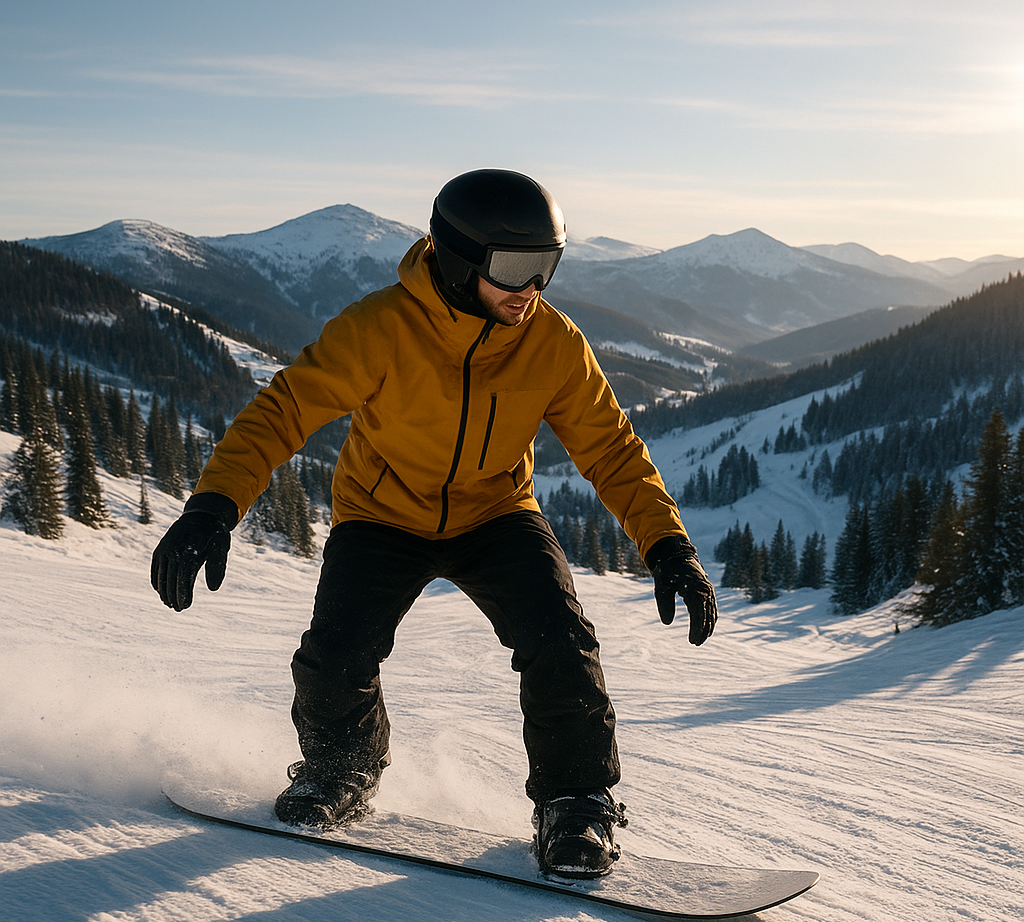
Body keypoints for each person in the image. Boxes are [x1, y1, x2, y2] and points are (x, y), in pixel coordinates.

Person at [151, 169, 717, 879]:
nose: (531, 288)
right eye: (516, 267)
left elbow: (610, 449)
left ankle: (576, 801)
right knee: (337, 652)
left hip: (497, 512)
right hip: (382, 515)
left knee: (561, 640)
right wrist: (213, 506)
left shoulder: (553, 344)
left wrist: (668, 545)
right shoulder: (381, 328)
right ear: (459, 258)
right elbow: (283, 413)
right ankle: (342, 769)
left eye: (548, 266)